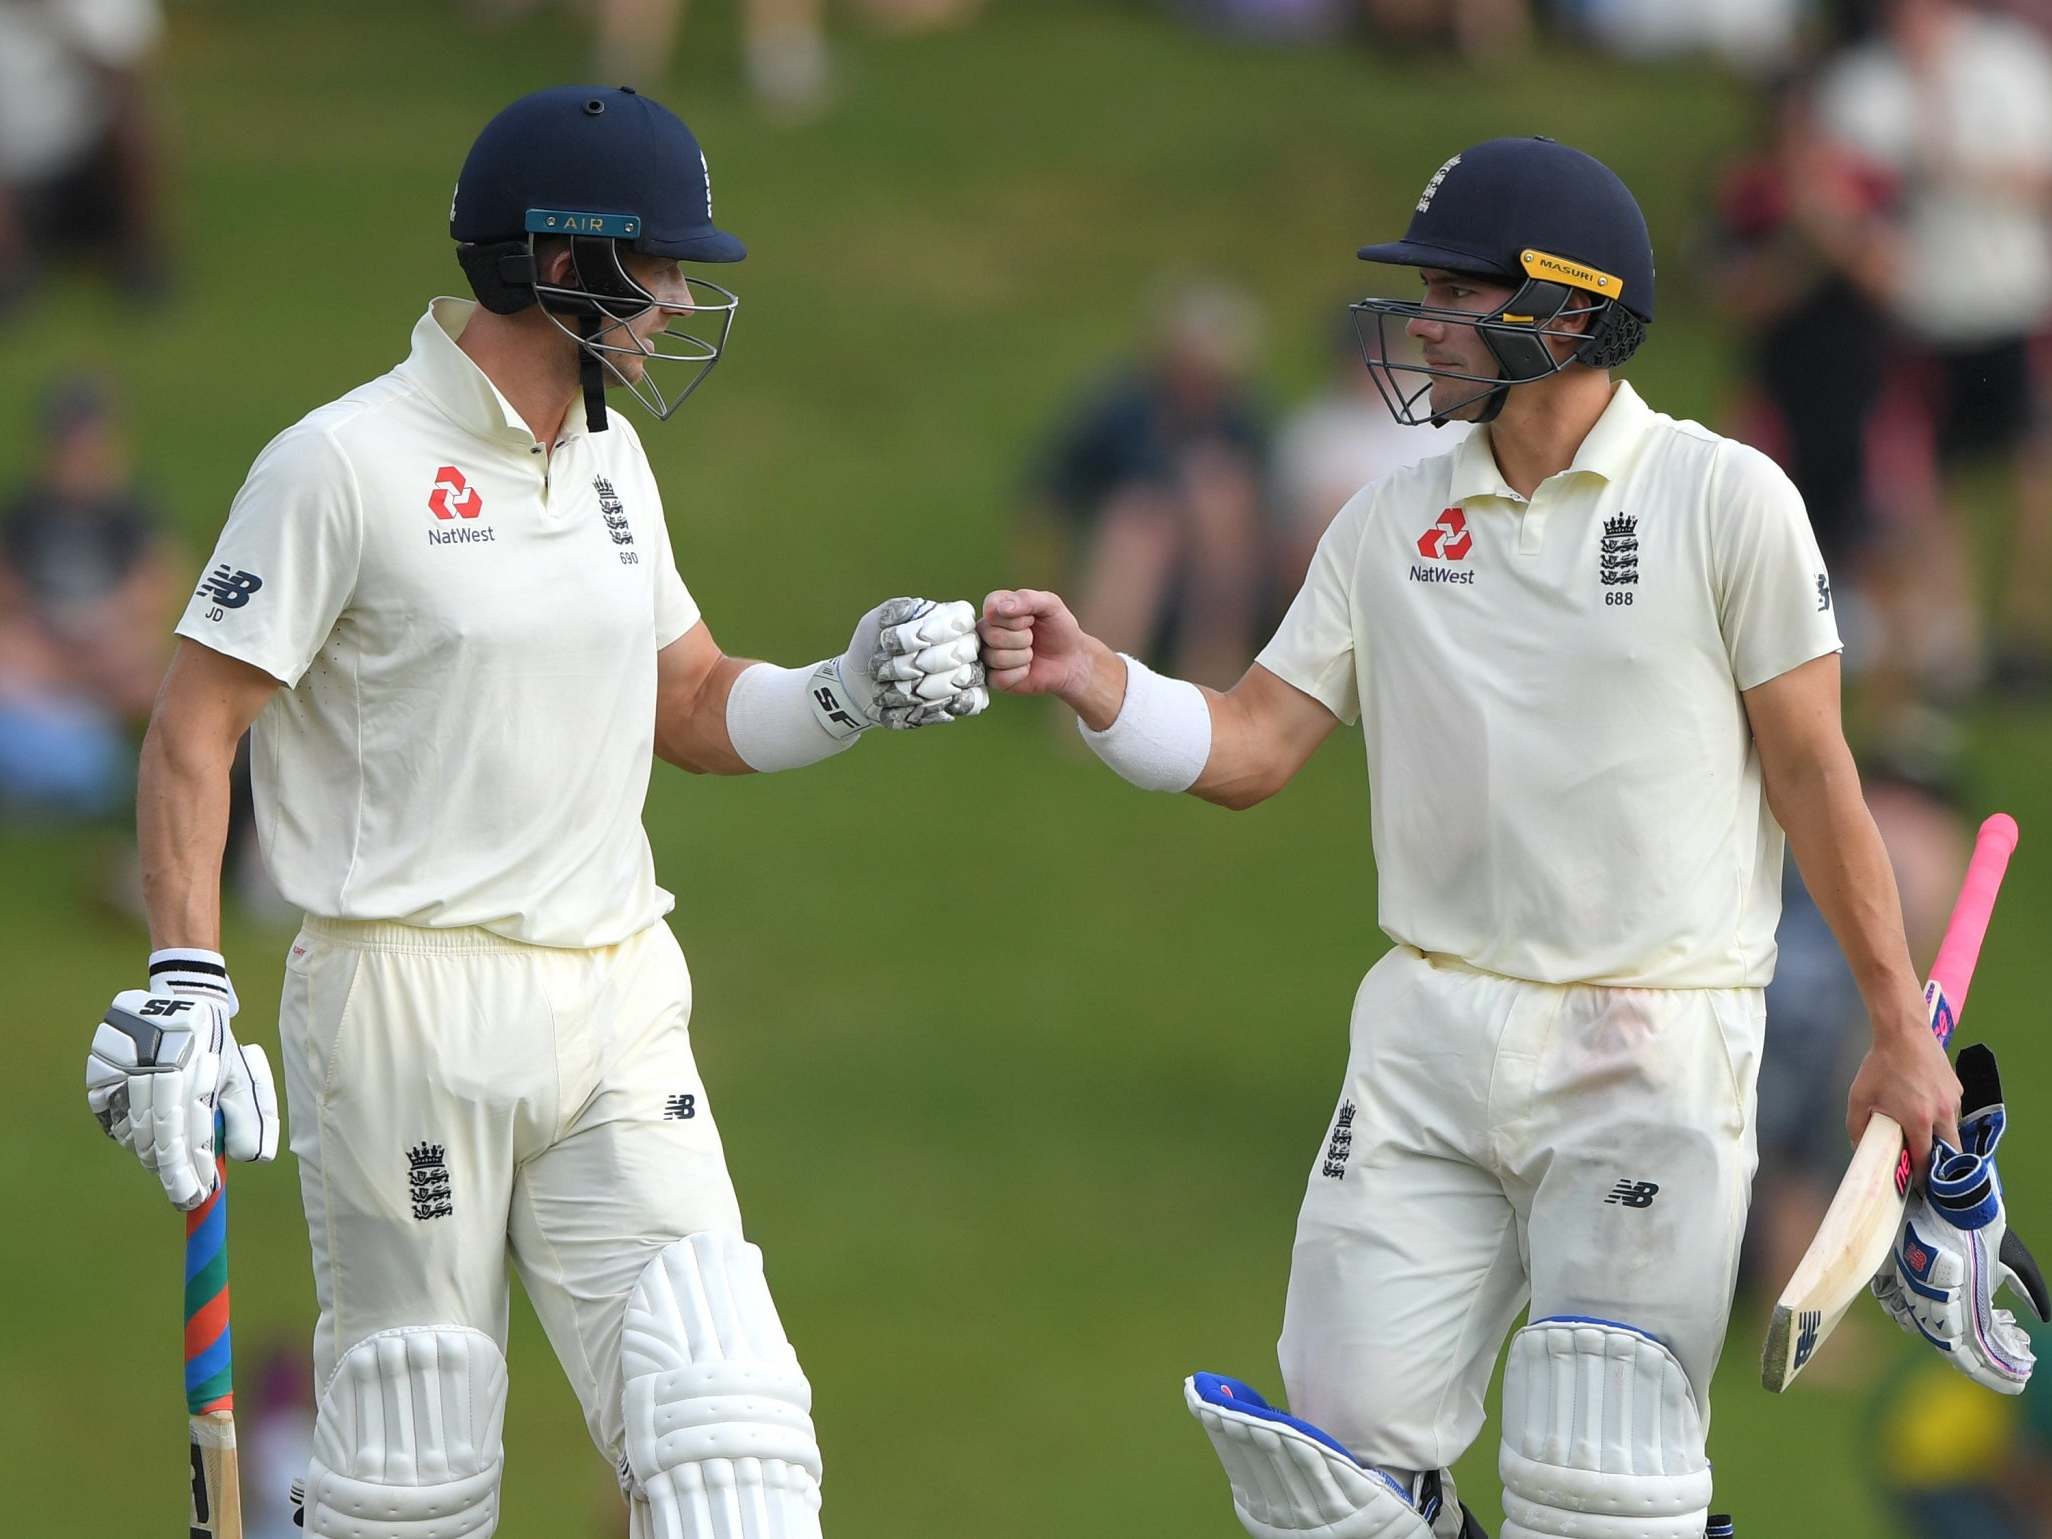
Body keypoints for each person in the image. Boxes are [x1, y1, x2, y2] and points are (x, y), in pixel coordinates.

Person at [979, 136, 1962, 1538]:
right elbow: (1256, 743)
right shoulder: (1393, 518)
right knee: (1334, 1479)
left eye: (1452, 292)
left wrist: (1894, 1024)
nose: (1420, 323)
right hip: (1427, 1034)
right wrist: (1099, 678)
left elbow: (1815, 773)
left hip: (1650, 1036)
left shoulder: (1722, 498)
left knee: (1599, 1485)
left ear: (1567, 312)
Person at [82, 85, 987, 1539]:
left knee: (729, 1442)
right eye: (663, 266)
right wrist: (188, 979)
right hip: (401, 1002)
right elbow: (197, 725)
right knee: (416, 1478)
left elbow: (686, 698)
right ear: (561, 266)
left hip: (616, 990)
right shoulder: (342, 463)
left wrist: (848, 687)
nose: (684, 298)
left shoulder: (617, 462)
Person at [1020, 278, 1269, 689]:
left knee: (1221, 504)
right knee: (1140, 526)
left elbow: (1263, 511)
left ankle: (1212, 688)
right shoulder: (1121, 412)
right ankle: (1093, 684)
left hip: (1218, 572)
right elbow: (1051, 496)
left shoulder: (1242, 421)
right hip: (1128, 563)